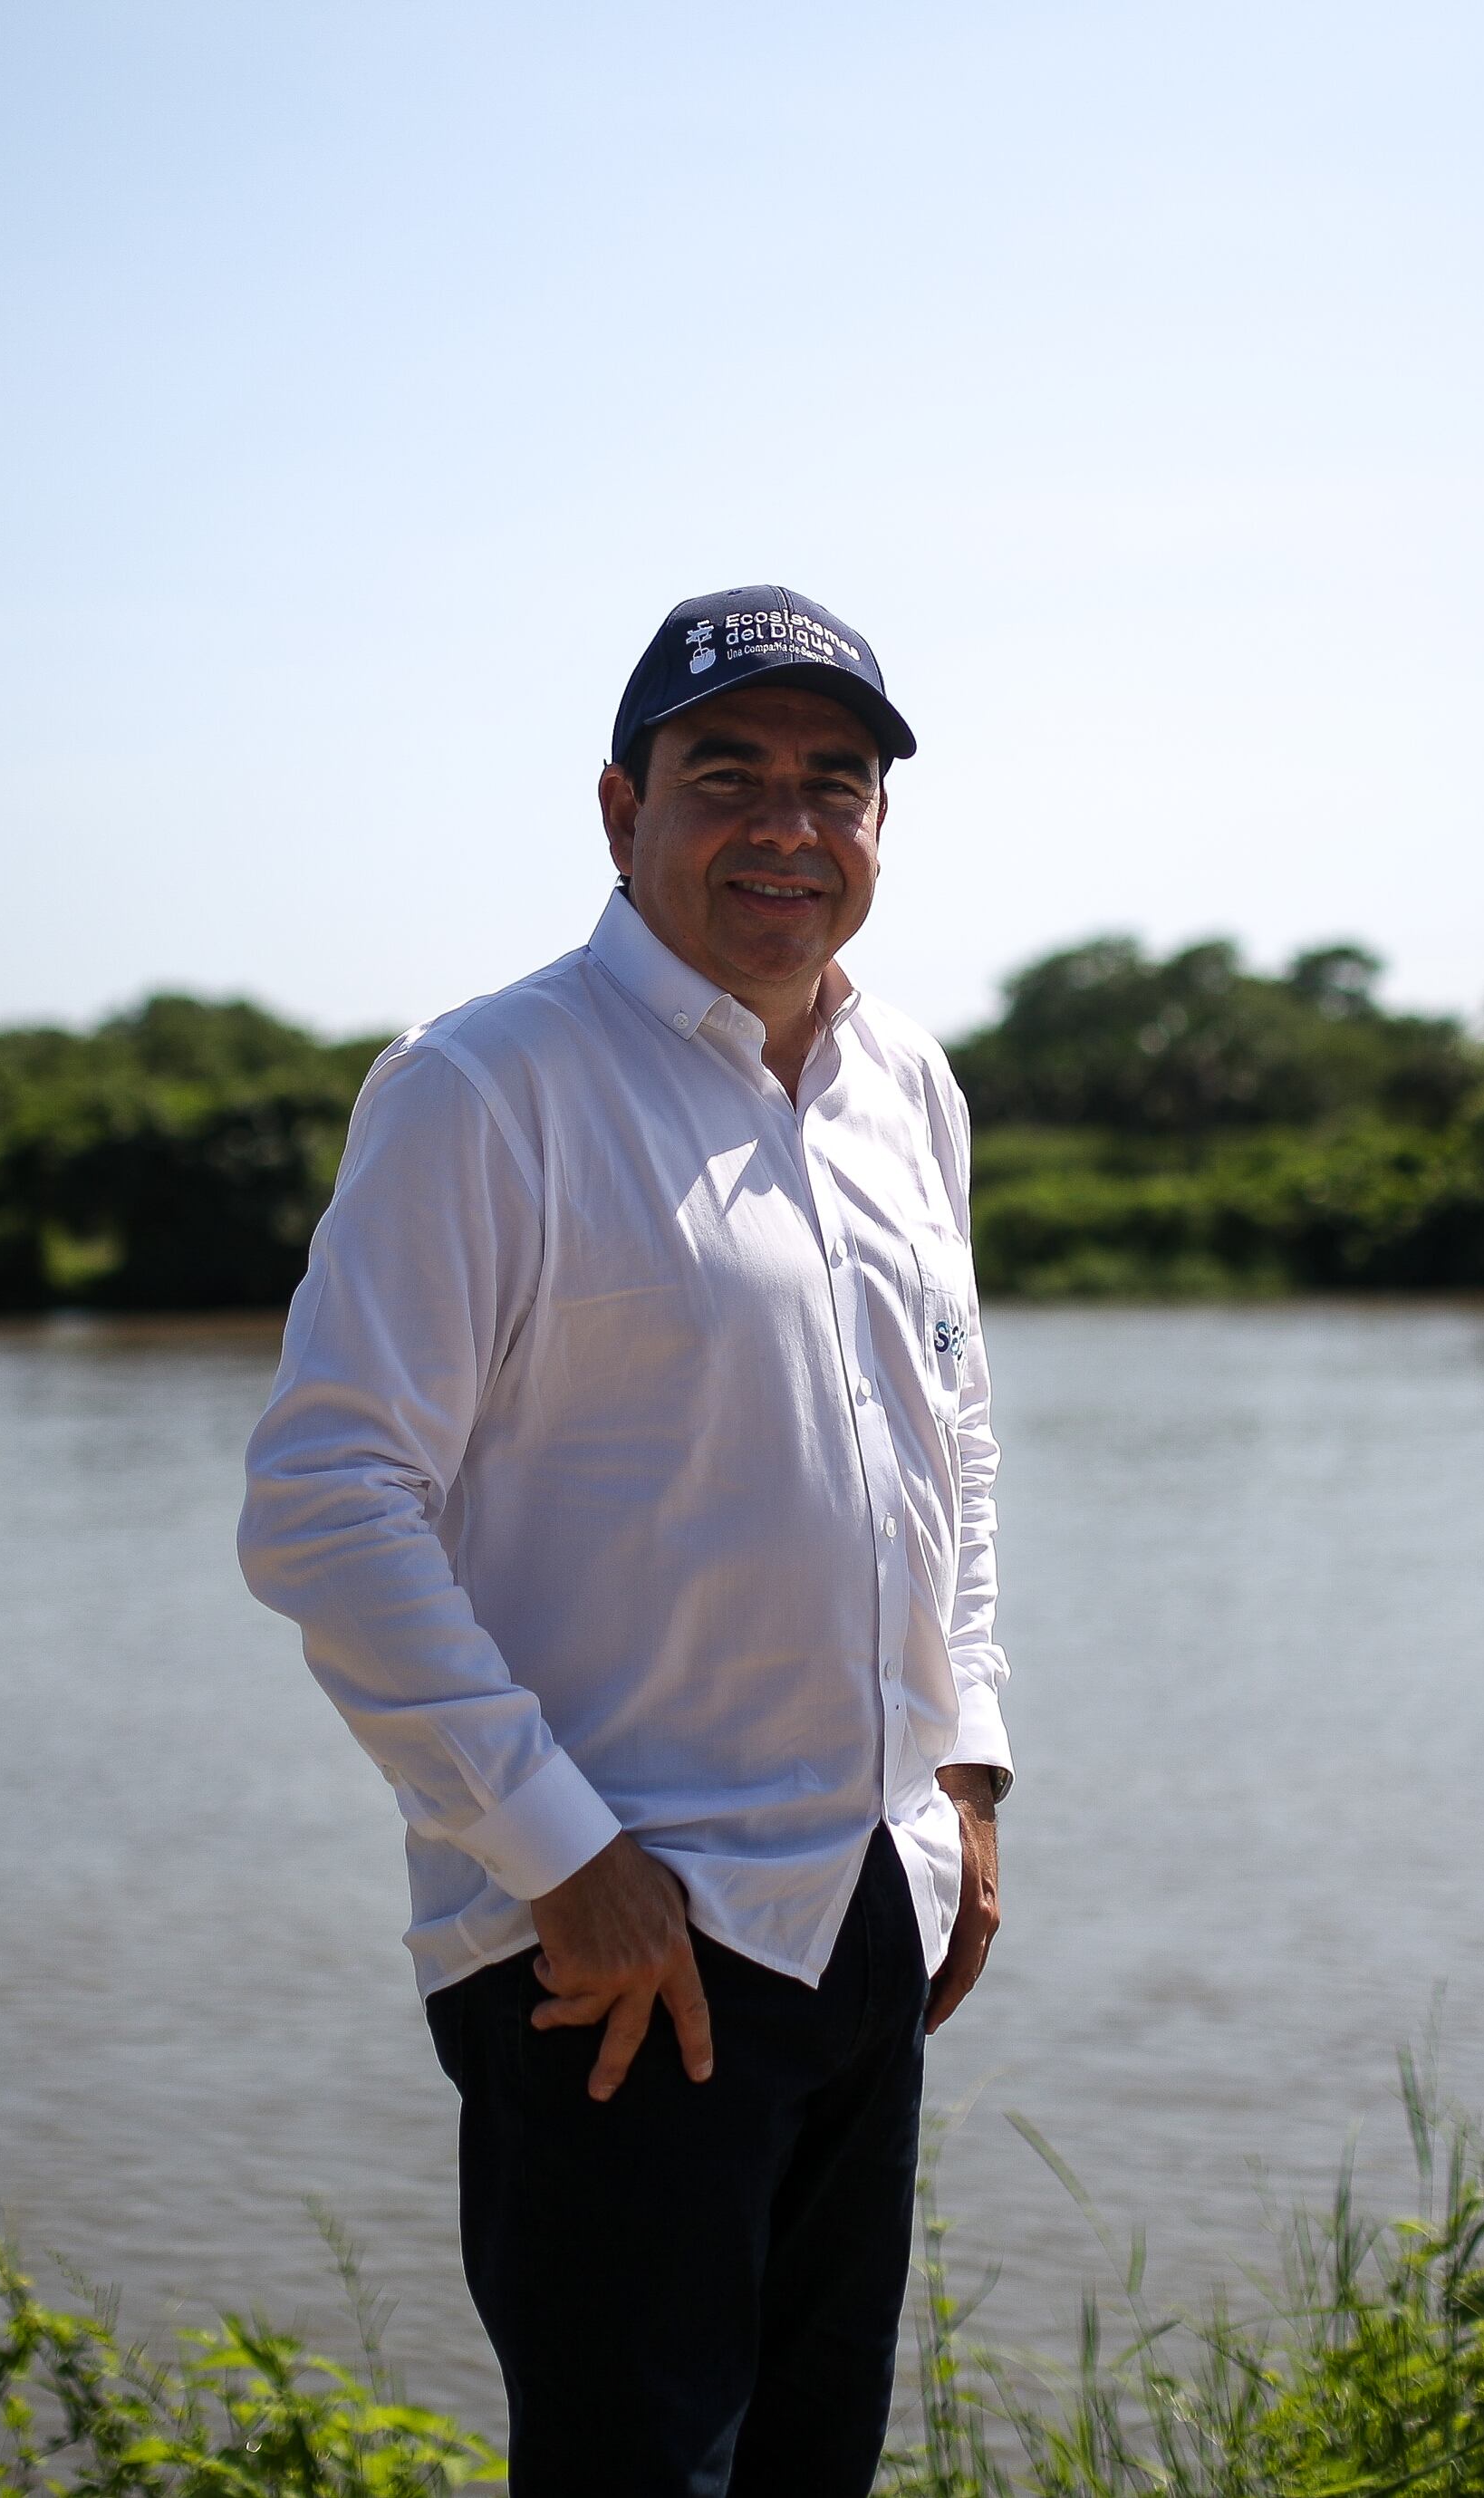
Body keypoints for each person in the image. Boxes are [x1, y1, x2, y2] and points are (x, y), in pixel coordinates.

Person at [236, 583, 1014, 2498]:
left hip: (861, 1898)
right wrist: (563, 1857)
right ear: (619, 810)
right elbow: (327, 1499)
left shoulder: (901, 1080)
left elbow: (951, 1436)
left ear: (879, 828)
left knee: (808, 2462)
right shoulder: (485, 1086)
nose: (785, 824)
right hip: (620, 1941)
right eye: (724, 773)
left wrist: (968, 1770)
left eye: (834, 783)